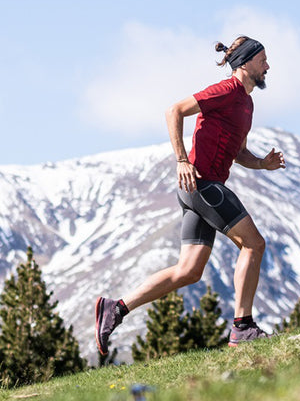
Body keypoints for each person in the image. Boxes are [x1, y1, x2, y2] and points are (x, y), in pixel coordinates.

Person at [95, 36, 286, 354]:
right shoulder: (227, 90)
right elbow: (175, 110)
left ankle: (116, 308)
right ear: (246, 62)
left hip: (200, 191)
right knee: (254, 244)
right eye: (263, 59)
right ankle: (242, 327)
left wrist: (262, 164)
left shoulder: (247, 104)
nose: (268, 66)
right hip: (203, 185)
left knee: (189, 270)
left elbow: (239, 153)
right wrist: (182, 159)